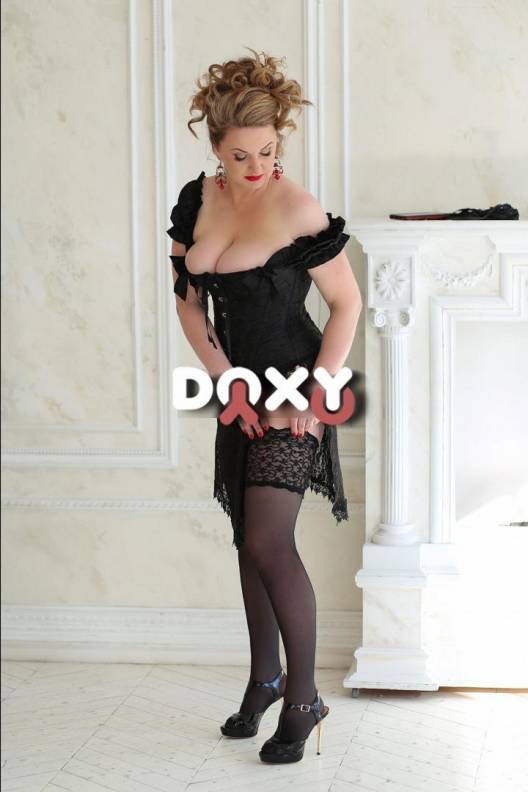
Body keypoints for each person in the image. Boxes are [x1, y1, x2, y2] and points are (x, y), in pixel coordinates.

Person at [166, 48, 362, 764]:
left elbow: (346, 304)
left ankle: (303, 698)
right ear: (216, 148)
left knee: (268, 542)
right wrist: (226, 382)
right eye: (241, 155)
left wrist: (315, 391)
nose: (256, 167)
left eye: (269, 151)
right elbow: (189, 302)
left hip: (295, 389)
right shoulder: (198, 199)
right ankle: (265, 679)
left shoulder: (297, 208)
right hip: (239, 387)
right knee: (247, 538)